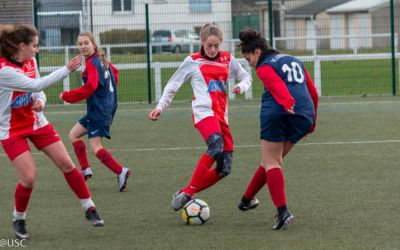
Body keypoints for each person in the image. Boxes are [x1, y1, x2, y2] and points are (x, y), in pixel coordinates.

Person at [0, 24, 104, 240]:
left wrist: (40, 101)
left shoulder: (30, 61)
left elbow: (37, 90)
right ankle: (19, 218)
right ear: (22, 46)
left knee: (67, 164)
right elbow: (38, 82)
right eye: (34, 46)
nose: (37, 50)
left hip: (38, 123)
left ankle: (89, 208)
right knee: (28, 177)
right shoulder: (4, 71)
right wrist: (67, 69)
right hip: (11, 130)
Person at [149, 23, 252, 211]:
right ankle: (188, 193)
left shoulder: (228, 60)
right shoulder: (192, 61)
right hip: (204, 114)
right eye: (209, 45)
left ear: (221, 44)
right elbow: (173, 86)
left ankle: (185, 191)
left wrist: (241, 87)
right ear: (202, 42)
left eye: (216, 46)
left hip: (222, 117)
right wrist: (160, 107)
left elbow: (246, 77)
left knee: (224, 169)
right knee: (216, 145)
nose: (212, 49)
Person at [236, 28, 318, 230]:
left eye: (249, 59)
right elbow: (313, 92)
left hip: (278, 112)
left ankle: (283, 212)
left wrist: (287, 100)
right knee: (271, 161)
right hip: (304, 115)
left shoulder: (264, 67)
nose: (250, 64)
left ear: (256, 52)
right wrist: (312, 122)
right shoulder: (294, 60)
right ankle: (246, 200)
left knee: (272, 162)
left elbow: (275, 85)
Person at [60, 32, 131, 192]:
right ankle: (86, 170)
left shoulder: (93, 62)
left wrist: (67, 96)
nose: (83, 46)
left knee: (95, 147)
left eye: (86, 43)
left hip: (99, 110)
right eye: (80, 44)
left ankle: (121, 171)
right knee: (73, 135)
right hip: (101, 108)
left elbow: (90, 87)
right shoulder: (100, 59)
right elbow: (115, 74)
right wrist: (107, 94)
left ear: (93, 44)